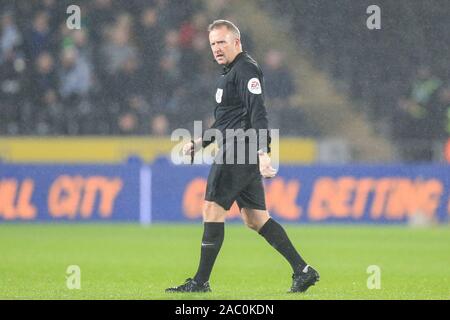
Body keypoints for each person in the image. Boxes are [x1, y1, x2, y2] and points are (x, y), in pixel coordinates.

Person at [166, 20, 319, 293]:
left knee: (212, 208)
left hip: (240, 149)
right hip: (238, 146)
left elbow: (257, 112)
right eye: (213, 43)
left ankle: (200, 282)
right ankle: (303, 270)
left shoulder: (245, 69)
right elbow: (227, 122)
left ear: (237, 42)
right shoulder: (228, 73)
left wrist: (263, 152)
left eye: (222, 42)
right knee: (255, 218)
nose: (216, 48)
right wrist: (202, 142)